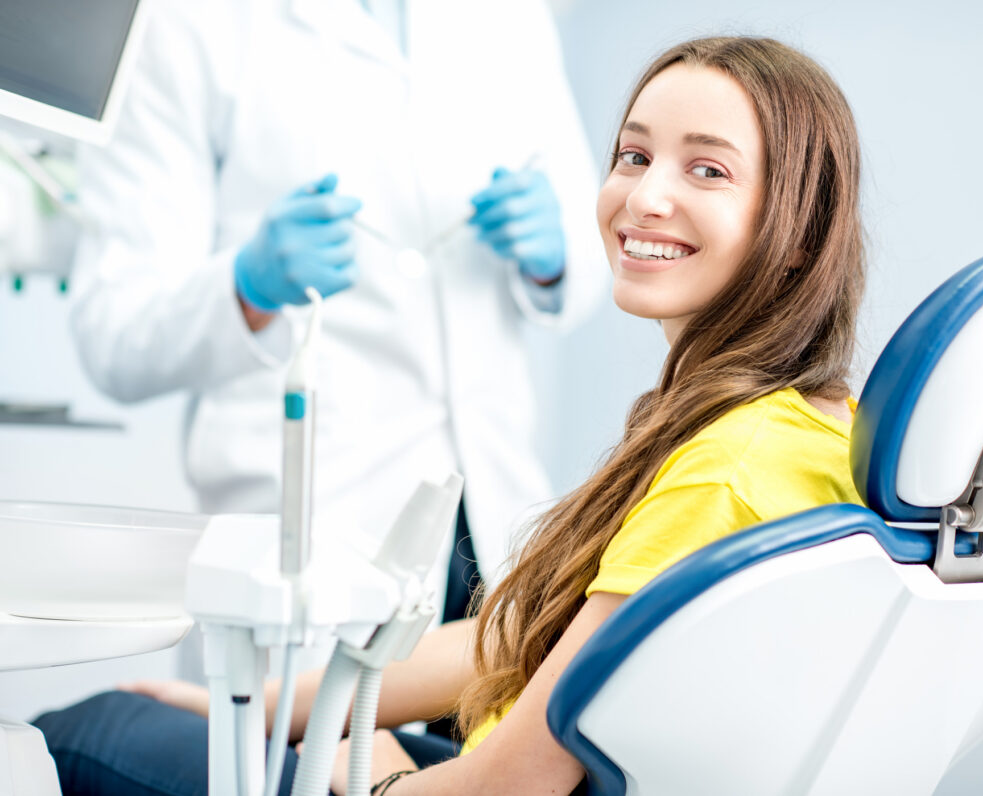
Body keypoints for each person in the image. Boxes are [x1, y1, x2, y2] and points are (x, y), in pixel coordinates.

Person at [37, 35, 866, 795]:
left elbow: (511, 781)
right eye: (632, 155)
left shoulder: (725, 467)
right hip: (338, 518)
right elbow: (520, 640)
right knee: (158, 720)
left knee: (81, 736)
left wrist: (367, 770)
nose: (644, 195)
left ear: (800, 226)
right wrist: (264, 706)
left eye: (707, 170)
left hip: (469, 701)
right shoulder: (800, 427)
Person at [69, 0, 607, 633]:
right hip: (312, 529)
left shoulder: (512, 18)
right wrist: (247, 287)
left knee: (490, 719)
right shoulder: (185, 22)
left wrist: (556, 254)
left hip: (495, 517)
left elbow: (592, 241)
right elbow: (115, 330)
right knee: (309, 729)